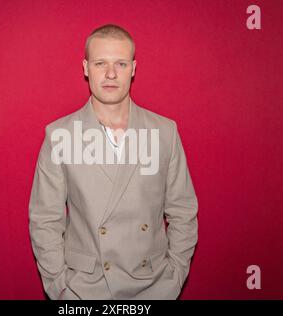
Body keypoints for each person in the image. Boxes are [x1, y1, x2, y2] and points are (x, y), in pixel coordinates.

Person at [28, 24, 198, 300]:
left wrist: (175, 276)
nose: (110, 74)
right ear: (86, 68)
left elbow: (183, 211)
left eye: (120, 63)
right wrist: (60, 289)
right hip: (84, 290)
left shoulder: (164, 132)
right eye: (100, 63)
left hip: (153, 287)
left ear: (133, 68)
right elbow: (44, 219)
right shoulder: (59, 135)